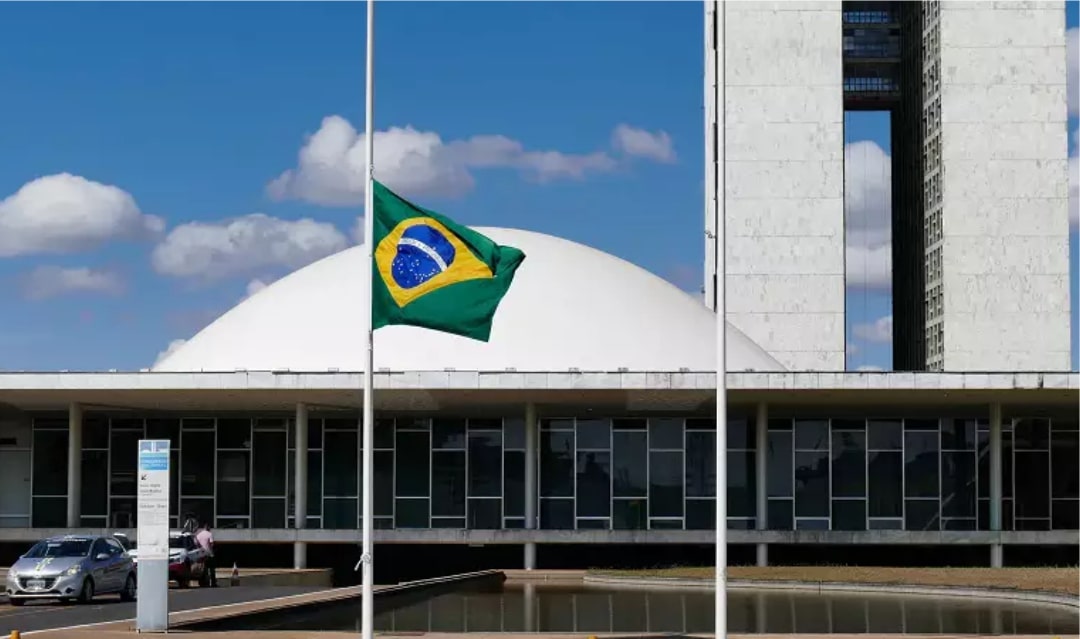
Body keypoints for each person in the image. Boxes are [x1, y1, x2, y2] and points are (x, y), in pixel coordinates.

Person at [195, 522, 217, 587]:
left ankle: (203, 583)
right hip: (209, 554)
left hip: (201, 555)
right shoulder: (209, 534)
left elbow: (196, 544)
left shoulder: (198, 535)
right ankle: (213, 583)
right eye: (210, 527)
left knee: (203, 569)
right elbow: (212, 544)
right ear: (208, 527)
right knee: (212, 569)